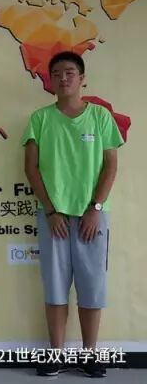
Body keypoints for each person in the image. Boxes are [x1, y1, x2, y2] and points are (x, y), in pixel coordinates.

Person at [22, 52, 123, 378]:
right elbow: (31, 168)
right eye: (56, 73)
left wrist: (95, 209)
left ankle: (89, 354)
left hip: (93, 217)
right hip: (53, 218)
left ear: (82, 79)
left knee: (92, 287)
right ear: (50, 81)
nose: (63, 78)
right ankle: (56, 354)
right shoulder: (40, 119)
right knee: (55, 287)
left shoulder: (101, 117)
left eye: (69, 72)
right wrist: (51, 210)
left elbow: (111, 166)